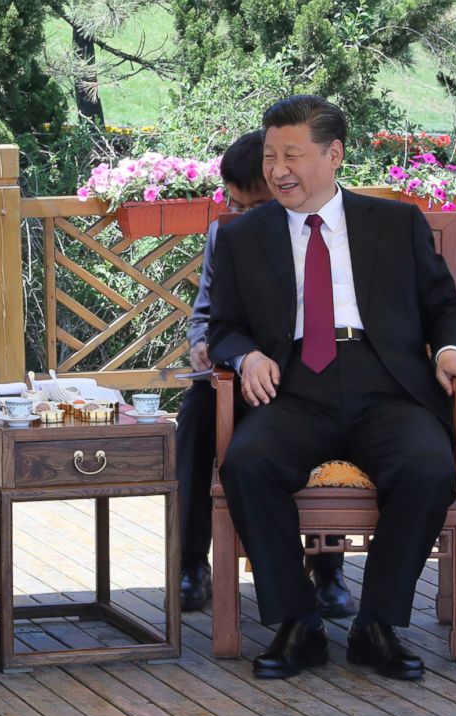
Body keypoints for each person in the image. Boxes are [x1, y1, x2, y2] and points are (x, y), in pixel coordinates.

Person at [208, 96, 456, 681]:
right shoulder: (242, 237)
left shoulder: (395, 222)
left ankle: (376, 624)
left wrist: (455, 351)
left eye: (292, 155)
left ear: (333, 155)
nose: (278, 168)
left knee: (430, 467)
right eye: (270, 154)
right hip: (294, 385)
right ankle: (298, 624)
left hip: (386, 382)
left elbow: (445, 308)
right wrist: (245, 353)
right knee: (247, 464)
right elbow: (221, 326)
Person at [177, 132, 355, 620]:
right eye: (231, 204)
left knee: (333, 403)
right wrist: (201, 344)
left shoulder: (324, 229)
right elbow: (205, 312)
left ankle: (328, 567)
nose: (239, 216)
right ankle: (191, 561)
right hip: (238, 372)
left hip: (304, 375)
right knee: (194, 415)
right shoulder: (225, 233)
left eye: (251, 205)